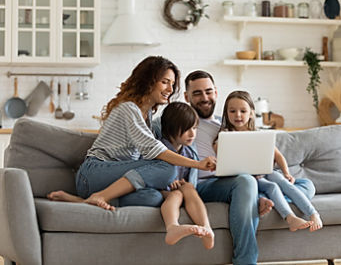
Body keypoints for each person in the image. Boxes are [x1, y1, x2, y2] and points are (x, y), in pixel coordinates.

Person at [183, 70, 319, 264]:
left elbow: (268, 154)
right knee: (247, 181)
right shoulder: (183, 123)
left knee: (306, 185)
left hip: (238, 181)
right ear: (186, 96)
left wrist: (282, 173)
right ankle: (246, 260)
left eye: (208, 91)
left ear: (216, 93)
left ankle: (258, 198)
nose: (204, 97)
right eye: (197, 93)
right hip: (207, 184)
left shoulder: (223, 125)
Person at [48, 56, 216, 211]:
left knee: (153, 197)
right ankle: (99, 196)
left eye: (172, 84)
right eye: (165, 82)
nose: (170, 89)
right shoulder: (129, 109)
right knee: (167, 168)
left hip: (114, 179)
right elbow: (156, 151)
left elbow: (169, 132)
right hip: (94, 173)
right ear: (148, 82)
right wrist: (198, 164)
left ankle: (84, 202)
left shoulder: (148, 116)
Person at [216, 90, 323, 232]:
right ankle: (290, 217)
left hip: (266, 172)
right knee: (272, 187)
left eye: (243, 111)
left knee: (283, 181)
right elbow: (223, 160)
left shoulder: (258, 134)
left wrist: (286, 173)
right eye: (232, 111)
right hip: (249, 179)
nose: (238, 115)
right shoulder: (225, 136)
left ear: (252, 113)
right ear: (226, 113)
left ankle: (313, 213)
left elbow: (278, 156)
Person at [158, 102, 214, 249]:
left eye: (194, 128)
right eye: (186, 129)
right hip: (163, 189)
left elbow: (192, 177)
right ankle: (173, 227)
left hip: (183, 189)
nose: (192, 134)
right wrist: (169, 183)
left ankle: (206, 228)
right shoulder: (159, 149)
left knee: (188, 188)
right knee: (176, 195)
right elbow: (152, 174)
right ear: (170, 129)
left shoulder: (189, 151)